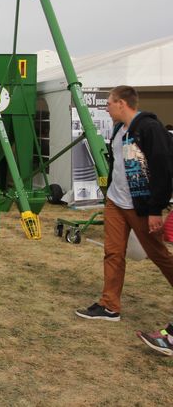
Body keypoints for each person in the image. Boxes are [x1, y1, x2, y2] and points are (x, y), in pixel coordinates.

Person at [75, 86, 173, 321]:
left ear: (122, 103)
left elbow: (163, 170)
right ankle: (109, 305)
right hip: (115, 202)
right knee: (113, 253)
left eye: (109, 103)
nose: (107, 108)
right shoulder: (120, 129)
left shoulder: (149, 128)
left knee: (158, 254)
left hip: (140, 206)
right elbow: (117, 165)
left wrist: (154, 209)